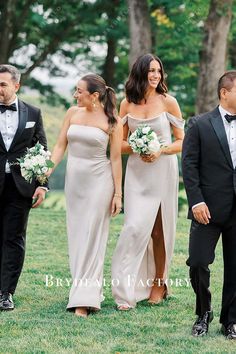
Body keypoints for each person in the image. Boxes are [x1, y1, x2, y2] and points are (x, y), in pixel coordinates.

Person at [111, 53, 184, 310]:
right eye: (151, 71)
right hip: (138, 174)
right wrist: (138, 147)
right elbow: (118, 144)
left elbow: (181, 141)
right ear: (140, 73)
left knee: (158, 230)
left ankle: (158, 283)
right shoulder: (126, 105)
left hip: (163, 170)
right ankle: (126, 286)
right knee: (134, 227)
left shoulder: (169, 102)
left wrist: (159, 149)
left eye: (158, 71)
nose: (156, 76)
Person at [49, 74, 122, 317]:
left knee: (93, 238)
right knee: (78, 237)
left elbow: (115, 160)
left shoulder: (113, 120)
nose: (75, 95)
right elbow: (60, 145)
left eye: (79, 91)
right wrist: (46, 168)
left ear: (95, 96)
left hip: (100, 183)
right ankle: (89, 290)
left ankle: (83, 300)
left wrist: (118, 195)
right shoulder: (72, 113)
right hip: (75, 183)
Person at [182, 71, 236, 339]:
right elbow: (189, 166)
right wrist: (197, 201)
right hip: (207, 209)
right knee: (198, 262)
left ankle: (231, 320)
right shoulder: (199, 124)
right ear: (224, 93)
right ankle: (203, 312)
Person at [0, 64, 48, 311]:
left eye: (3, 84)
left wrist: (42, 185)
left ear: (16, 86)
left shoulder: (33, 113)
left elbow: (41, 149)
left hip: (20, 187)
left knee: (14, 239)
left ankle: (6, 292)